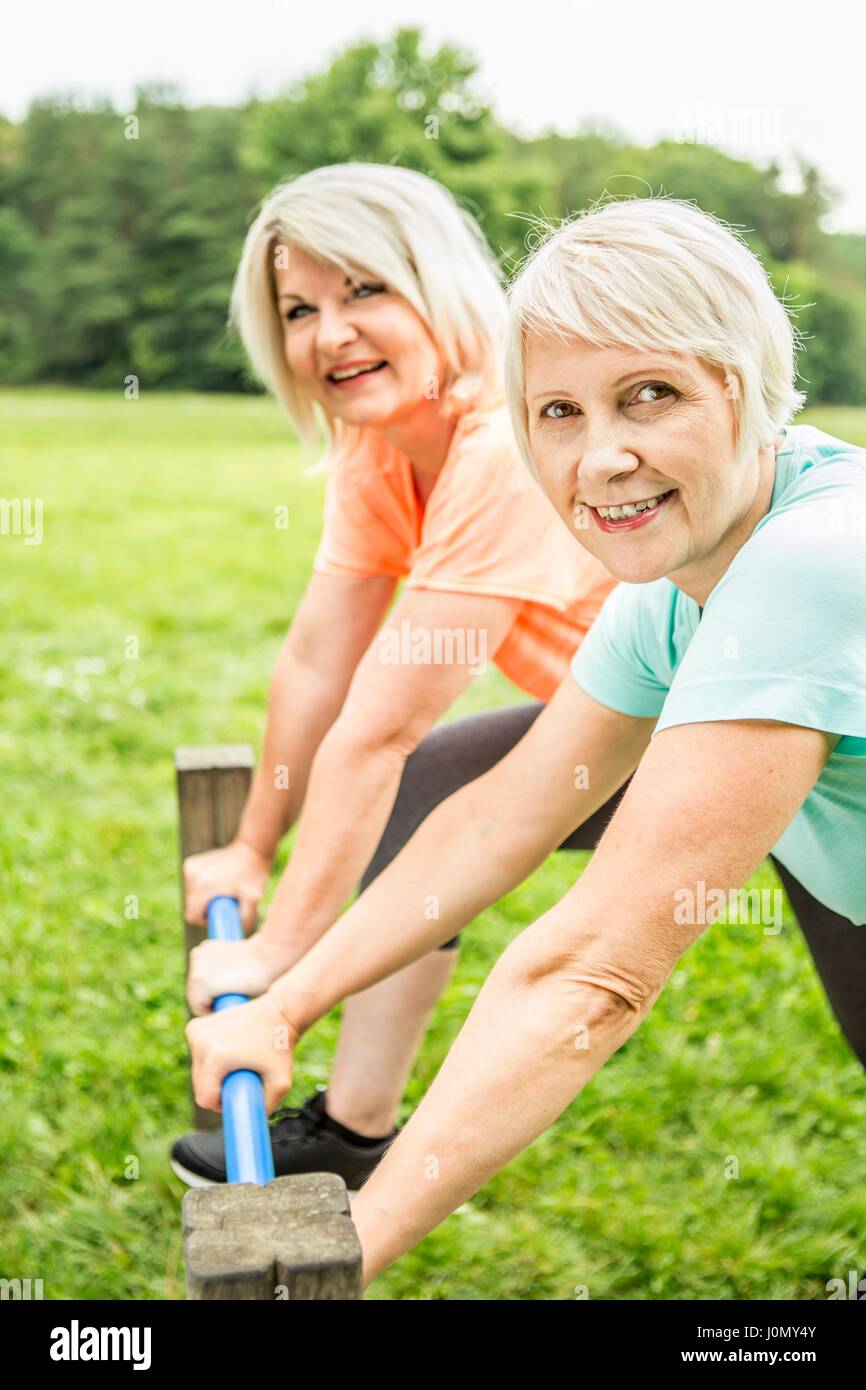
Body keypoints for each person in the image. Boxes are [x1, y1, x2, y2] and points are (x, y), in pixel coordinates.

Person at [186, 195, 866, 1289]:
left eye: (649, 394)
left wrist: (341, 1251)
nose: (600, 458)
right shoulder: (670, 584)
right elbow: (500, 815)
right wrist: (284, 1000)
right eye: (556, 411)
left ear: (739, 387)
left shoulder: (808, 561)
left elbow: (590, 973)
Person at [170, 162, 617, 1187]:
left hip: (768, 724)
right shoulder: (383, 446)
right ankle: (355, 1131)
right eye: (299, 308)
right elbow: (319, 658)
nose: (330, 333)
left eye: (365, 288)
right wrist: (250, 848)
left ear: (439, 283)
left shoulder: (505, 443)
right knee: (424, 799)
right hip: (627, 717)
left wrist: (278, 950)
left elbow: (380, 728)